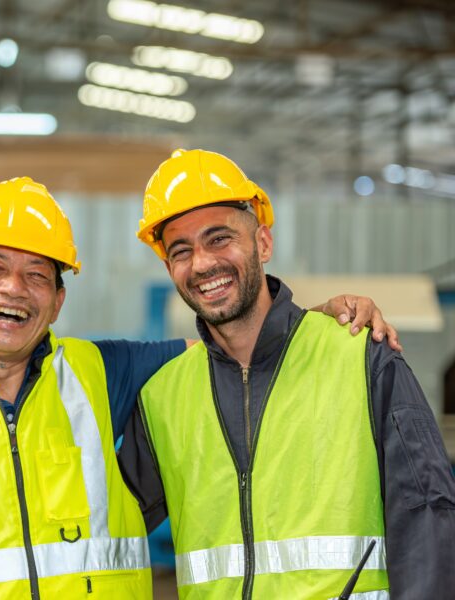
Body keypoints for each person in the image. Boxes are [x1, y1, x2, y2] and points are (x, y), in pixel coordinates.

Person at [0, 176, 398, 600]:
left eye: (37, 275)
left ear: (57, 301)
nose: (13, 290)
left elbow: (237, 343)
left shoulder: (102, 373)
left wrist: (321, 321)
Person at [121, 149, 455, 599]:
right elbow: (103, 535)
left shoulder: (360, 356)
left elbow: (428, 516)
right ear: (169, 269)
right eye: (182, 250)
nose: (201, 263)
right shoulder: (162, 396)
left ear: (263, 243)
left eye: (219, 239)